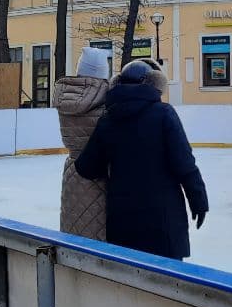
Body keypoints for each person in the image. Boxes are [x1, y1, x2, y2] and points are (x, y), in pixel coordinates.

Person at [76, 60, 208, 260]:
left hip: (122, 223)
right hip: (163, 222)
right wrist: (198, 200)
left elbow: (86, 168)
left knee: (129, 283)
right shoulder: (164, 114)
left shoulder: (108, 120)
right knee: (169, 284)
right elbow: (185, 164)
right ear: (154, 84)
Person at [57, 47, 112, 240]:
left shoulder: (67, 96)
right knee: (97, 235)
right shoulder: (105, 100)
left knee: (75, 227)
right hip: (98, 174)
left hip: (73, 170)